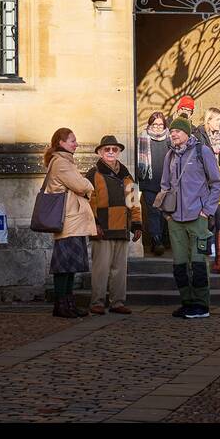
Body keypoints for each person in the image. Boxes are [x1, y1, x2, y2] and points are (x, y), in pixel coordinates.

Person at [159, 113, 220, 318]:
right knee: (179, 264)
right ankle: (187, 302)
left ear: (186, 133)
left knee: (197, 263)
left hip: (198, 217)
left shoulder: (201, 151)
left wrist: (207, 211)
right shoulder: (169, 155)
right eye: (172, 132)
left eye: (177, 131)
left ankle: (202, 305)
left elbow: (217, 183)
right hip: (175, 219)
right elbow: (165, 185)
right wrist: (166, 214)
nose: (173, 135)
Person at [42, 127, 98, 319]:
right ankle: (62, 305)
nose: (76, 144)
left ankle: (68, 304)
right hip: (69, 221)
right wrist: (89, 186)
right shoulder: (61, 163)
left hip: (71, 221)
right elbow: (81, 185)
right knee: (64, 267)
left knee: (69, 266)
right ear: (61, 142)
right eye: (72, 140)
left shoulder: (64, 161)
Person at [85, 134, 142, 315]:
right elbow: (88, 202)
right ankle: (97, 302)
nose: (111, 152)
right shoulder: (93, 174)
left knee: (119, 269)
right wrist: (94, 224)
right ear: (100, 152)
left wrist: (137, 224)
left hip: (122, 228)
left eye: (114, 149)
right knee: (100, 269)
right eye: (107, 149)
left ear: (118, 152)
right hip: (102, 228)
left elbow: (133, 202)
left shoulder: (127, 176)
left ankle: (117, 302)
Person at [196, 106, 220, 275]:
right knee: (206, 220)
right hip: (205, 181)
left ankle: (219, 261)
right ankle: (200, 260)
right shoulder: (198, 134)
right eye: (218, 119)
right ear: (209, 120)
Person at [135, 112, 171, 256]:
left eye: (160, 124)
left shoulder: (170, 139)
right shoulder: (142, 138)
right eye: (154, 124)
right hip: (148, 182)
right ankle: (156, 241)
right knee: (153, 211)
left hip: (166, 183)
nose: (157, 127)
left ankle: (160, 239)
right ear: (150, 124)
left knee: (163, 212)